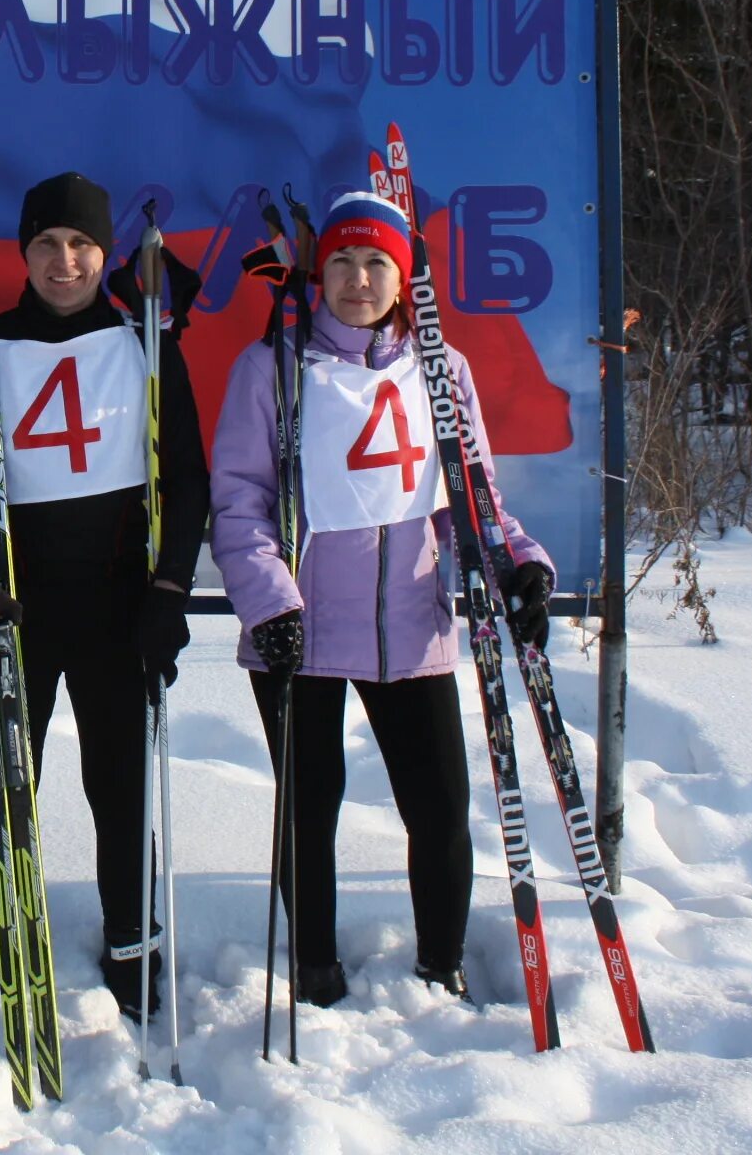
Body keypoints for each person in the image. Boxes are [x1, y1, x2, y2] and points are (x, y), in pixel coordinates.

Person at [208, 190, 555, 1007]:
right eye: (341, 262)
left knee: (437, 806)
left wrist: (518, 567)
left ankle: (442, 964)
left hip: (412, 617)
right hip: (300, 624)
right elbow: (240, 503)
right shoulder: (272, 368)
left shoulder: (442, 370)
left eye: (376, 264)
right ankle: (317, 967)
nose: (357, 280)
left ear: (403, 279)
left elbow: (472, 500)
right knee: (311, 807)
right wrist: (270, 604)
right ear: (316, 271)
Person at [0, 172, 209, 1031]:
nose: (64, 261)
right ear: (24, 252)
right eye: (46, 244)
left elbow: (187, 479)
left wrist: (170, 590)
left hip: (118, 605)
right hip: (10, 603)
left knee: (119, 783)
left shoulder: (145, 341)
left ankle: (130, 944)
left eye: (80, 245)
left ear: (104, 253)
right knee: (2, 784)